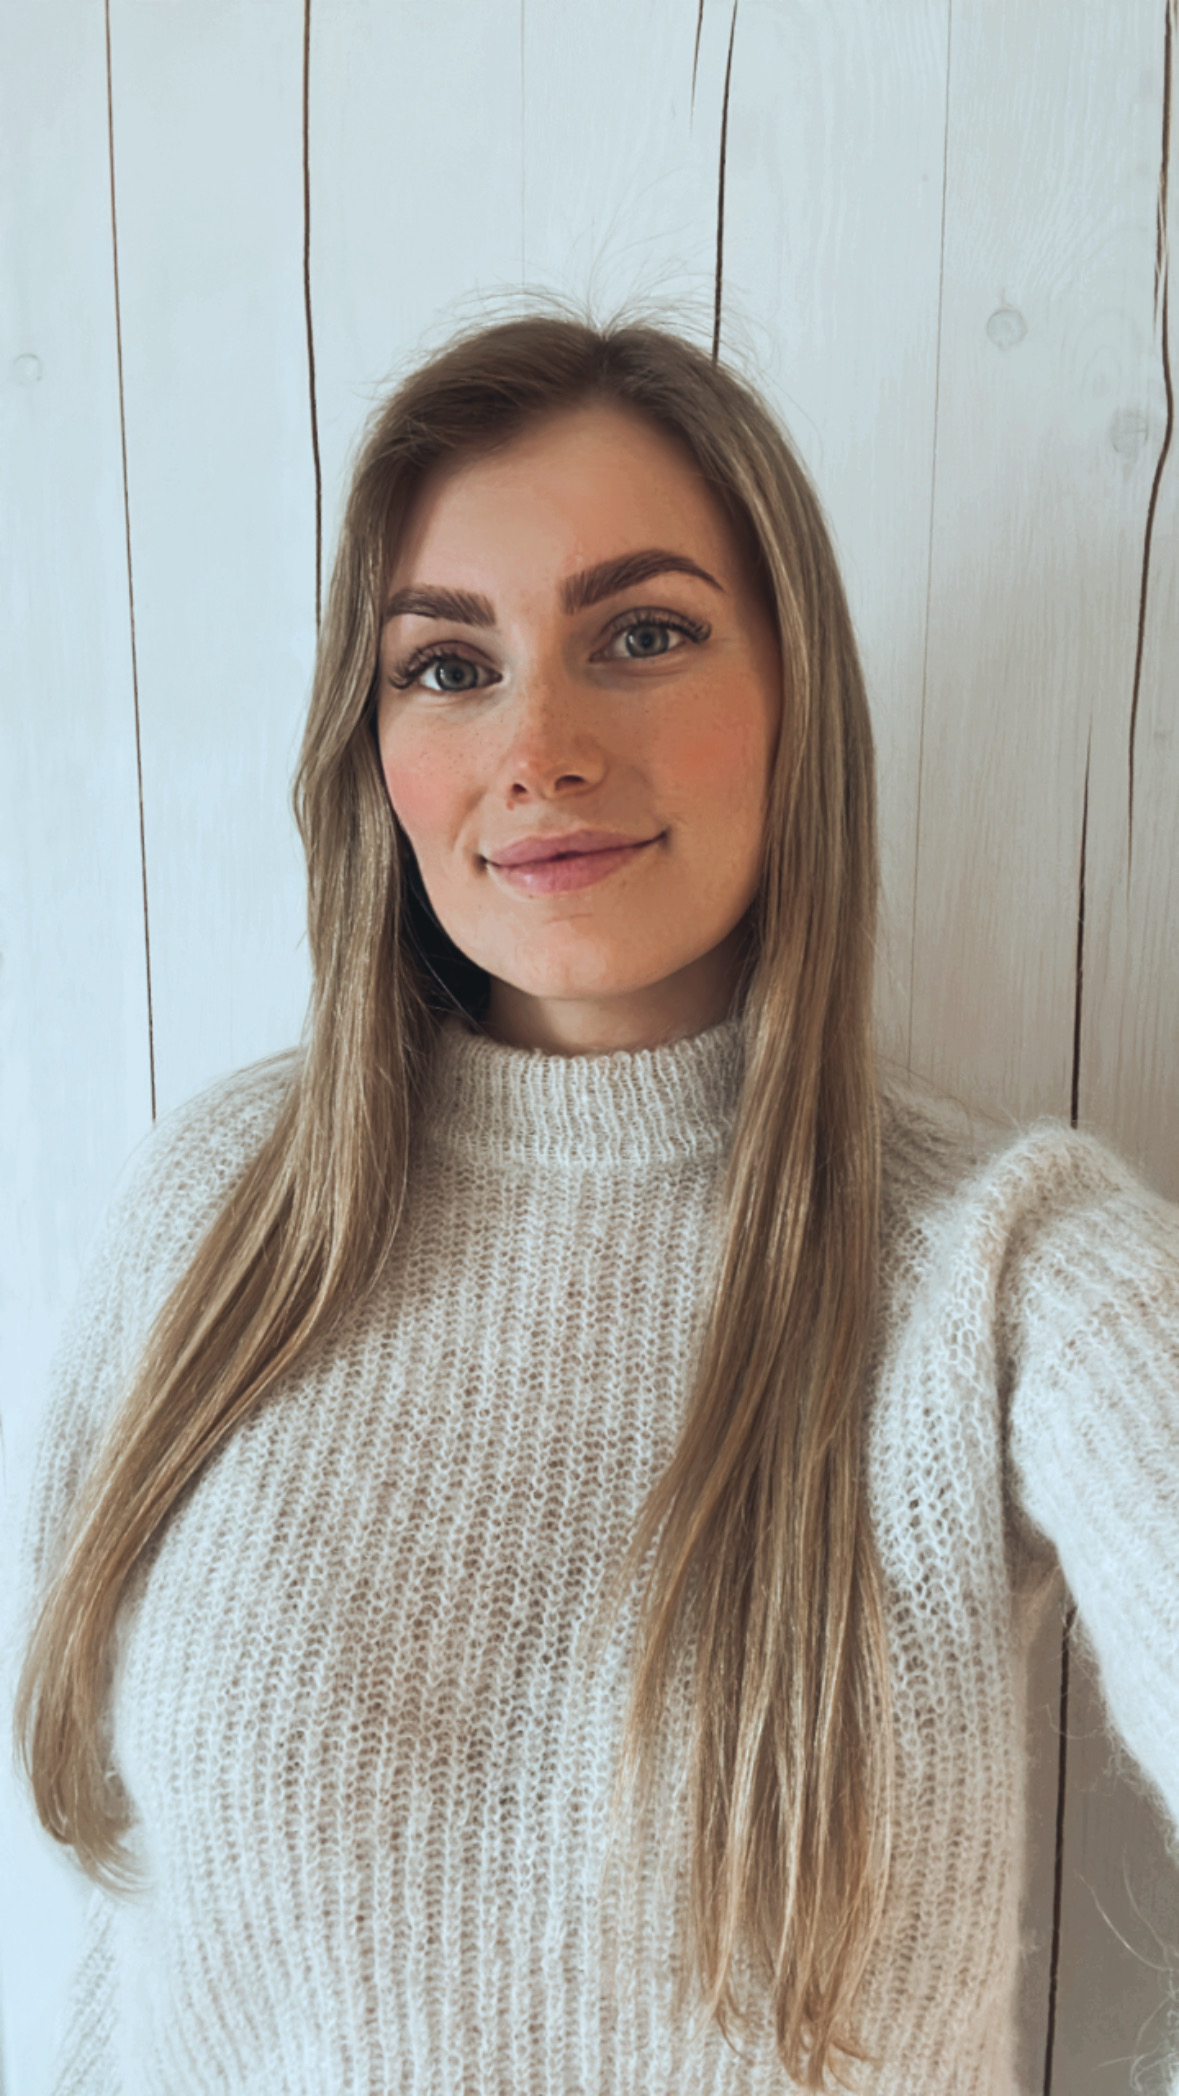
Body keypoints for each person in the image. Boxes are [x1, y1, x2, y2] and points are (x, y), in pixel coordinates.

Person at [12, 309, 1179, 2096]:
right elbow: (131, 1950)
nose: (539, 746)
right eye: (446, 665)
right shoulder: (224, 1220)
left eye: (642, 635)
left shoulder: (1009, 1275)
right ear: (373, 748)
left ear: (795, 695)